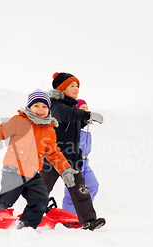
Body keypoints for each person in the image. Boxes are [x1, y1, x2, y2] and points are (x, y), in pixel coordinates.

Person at [0, 89, 78, 229]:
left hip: (32, 174)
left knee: (40, 201)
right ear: (29, 107)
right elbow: (0, 132)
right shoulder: (19, 121)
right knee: (5, 202)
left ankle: (25, 227)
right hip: (13, 170)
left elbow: (53, 153)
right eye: (36, 106)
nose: (40, 109)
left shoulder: (49, 130)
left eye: (44, 106)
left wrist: (65, 170)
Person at [40, 72, 105, 230]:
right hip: (54, 157)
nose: (76, 89)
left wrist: (83, 121)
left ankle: (89, 220)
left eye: (77, 86)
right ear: (62, 88)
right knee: (41, 190)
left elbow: (70, 128)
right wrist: (85, 114)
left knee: (80, 190)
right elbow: (64, 115)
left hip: (70, 158)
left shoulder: (70, 106)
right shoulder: (55, 104)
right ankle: (29, 217)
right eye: (72, 85)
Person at [62, 99, 99, 214]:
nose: (86, 111)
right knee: (72, 192)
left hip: (85, 164)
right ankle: (69, 216)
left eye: (87, 109)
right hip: (73, 163)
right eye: (82, 109)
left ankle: (81, 213)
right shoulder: (71, 126)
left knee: (93, 186)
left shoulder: (86, 128)